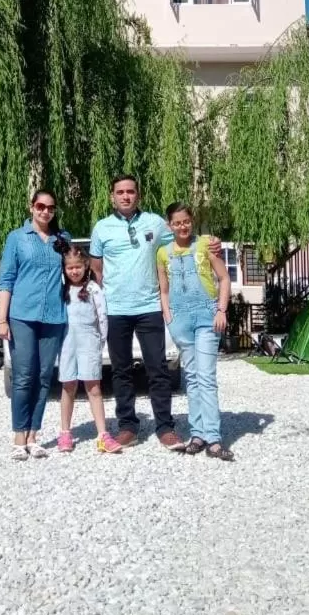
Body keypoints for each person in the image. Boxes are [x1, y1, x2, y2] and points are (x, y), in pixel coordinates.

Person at [89, 174, 221, 451]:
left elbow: (183, 235)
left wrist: (212, 242)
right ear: (112, 196)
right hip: (116, 309)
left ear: (138, 195)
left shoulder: (155, 223)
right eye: (120, 192)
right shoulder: (101, 228)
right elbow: (97, 270)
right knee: (120, 370)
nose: (126, 196)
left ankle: (165, 427)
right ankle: (127, 426)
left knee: (158, 368)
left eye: (131, 192)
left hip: (149, 307)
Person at [158, 202, 234, 461]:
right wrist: (168, 315)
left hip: (207, 317)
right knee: (191, 377)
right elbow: (164, 288)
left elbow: (224, 279)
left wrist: (221, 310)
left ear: (192, 221)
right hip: (180, 319)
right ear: (170, 225)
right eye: (177, 223)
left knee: (206, 377)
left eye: (186, 221)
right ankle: (197, 433)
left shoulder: (204, 245)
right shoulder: (163, 252)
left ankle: (213, 437)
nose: (182, 226)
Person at [0, 190, 69, 461]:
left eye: (50, 207)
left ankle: (34, 435)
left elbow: (75, 270)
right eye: (40, 206)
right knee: (24, 375)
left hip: (54, 316)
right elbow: (6, 279)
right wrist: (1, 318)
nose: (45, 211)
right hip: (22, 316)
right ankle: (18, 436)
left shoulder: (62, 239)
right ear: (32, 207)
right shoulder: (16, 238)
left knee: (44, 376)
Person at [57, 246, 122, 455]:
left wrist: (100, 341)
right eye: (70, 268)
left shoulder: (94, 289)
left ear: (85, 266)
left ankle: (102, 434)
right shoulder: (62, 290)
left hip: (89, 342)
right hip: (68, 343)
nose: (74, 271)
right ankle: (65, 431)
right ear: (64, 269)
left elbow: (102, 316)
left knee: (93, 387)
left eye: (78, 267)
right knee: (68, 386)